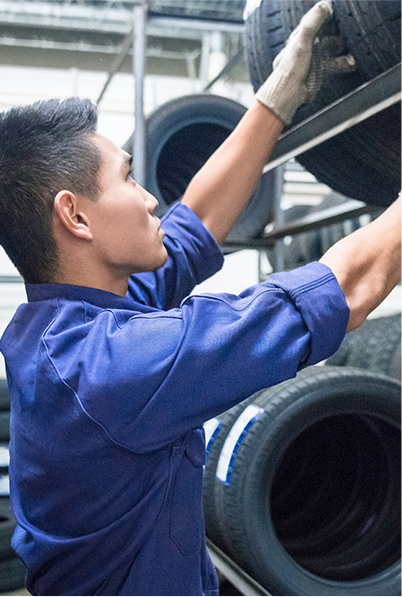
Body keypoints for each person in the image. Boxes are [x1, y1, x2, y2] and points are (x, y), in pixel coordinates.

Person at [0, 2, 400, 595]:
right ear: (75, 216)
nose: (149, 200)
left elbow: (198, 222)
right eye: (130, 179)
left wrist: (275, 101)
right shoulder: (109, 368)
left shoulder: (75, 324)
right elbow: (348, 287)